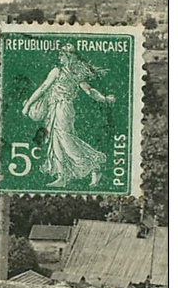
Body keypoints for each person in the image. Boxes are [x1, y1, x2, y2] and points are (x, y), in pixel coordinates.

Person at [22, 44, 116, 188]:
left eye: (62, 54)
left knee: (65, 139)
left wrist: (28, 104)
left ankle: (93, 165)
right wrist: (104, 98)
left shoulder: (59, 72)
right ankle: (62, 176)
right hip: (57, 108)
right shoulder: (73, 73)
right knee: (56, 140)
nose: (60, 57)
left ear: (68, 56)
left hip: (62, 108)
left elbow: (43, 88)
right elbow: (90, 91)